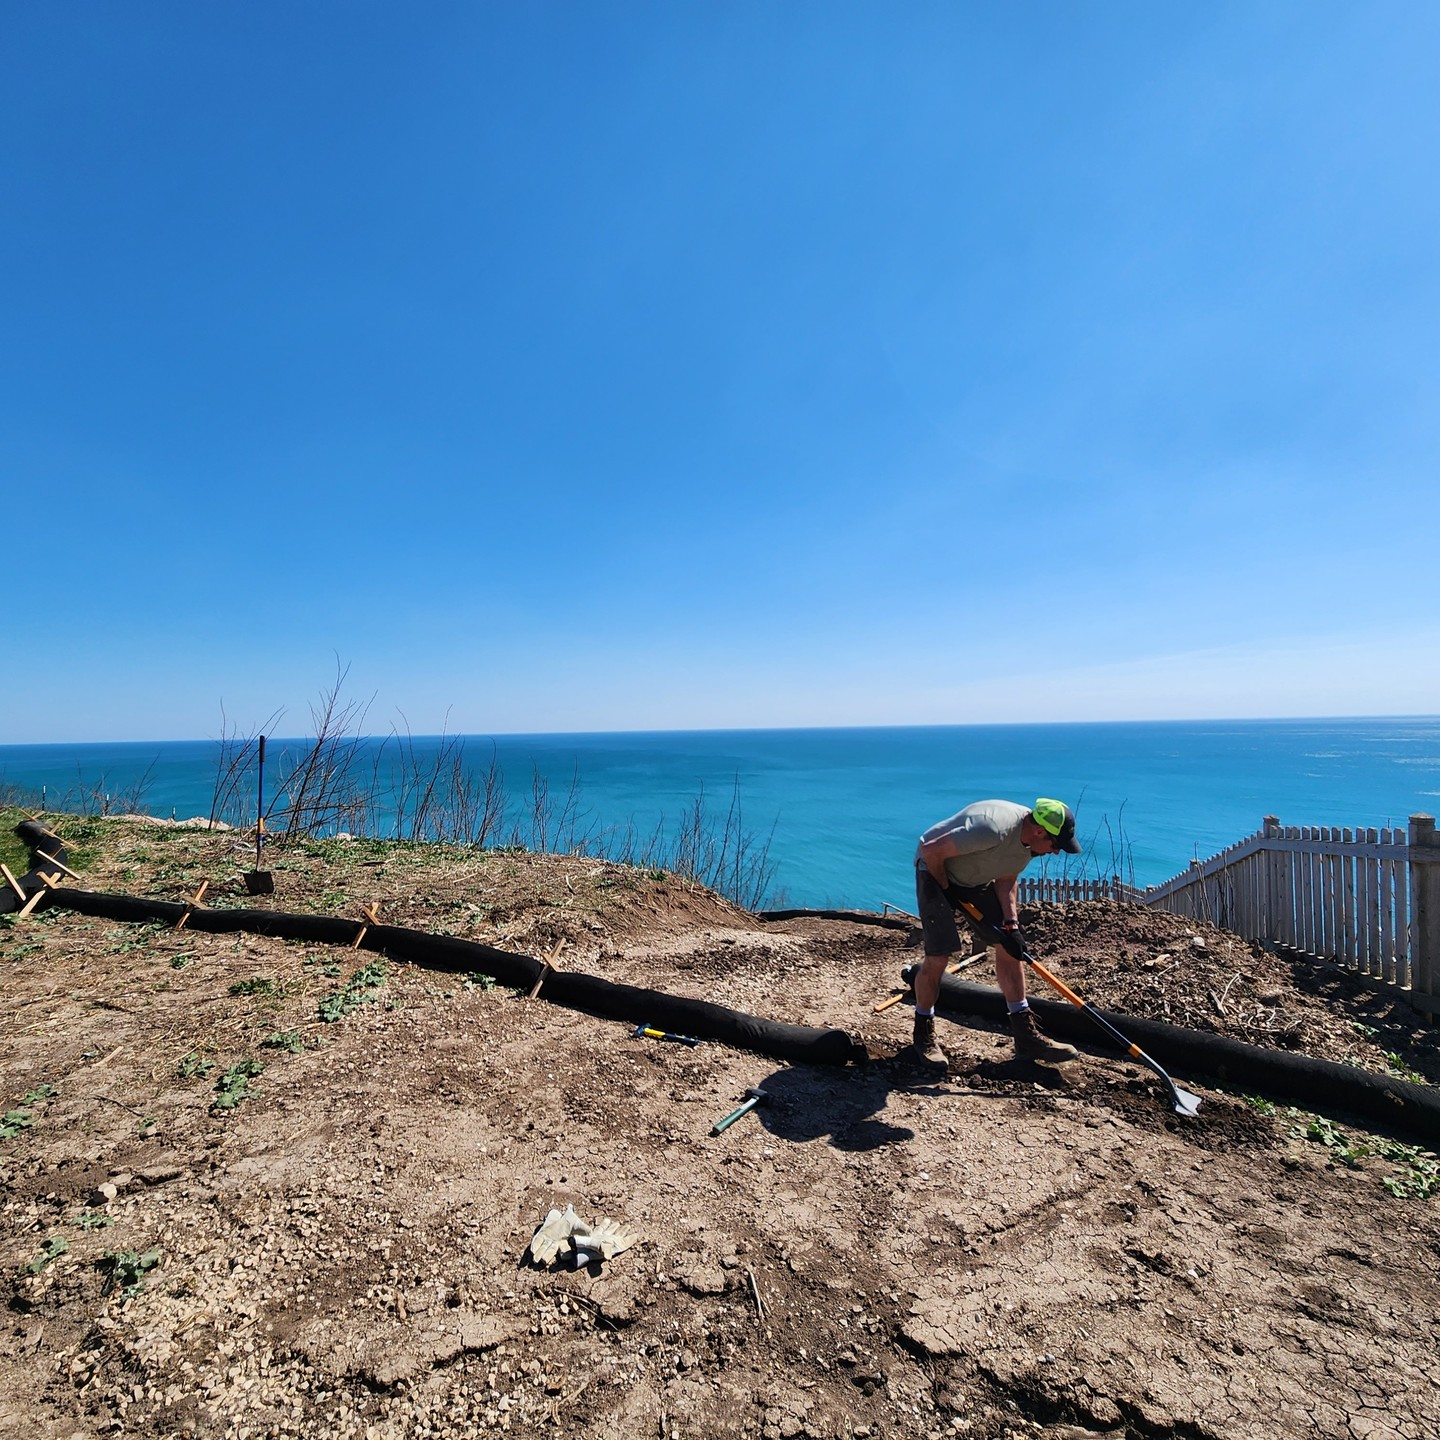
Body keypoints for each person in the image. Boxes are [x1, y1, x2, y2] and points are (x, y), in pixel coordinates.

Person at [911, 797, 1082, 1070]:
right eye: (1055, 845)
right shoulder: (992, 829)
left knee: (1009, 947)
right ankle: (923, 1033)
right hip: (934, 869)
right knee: (940, 954)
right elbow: (932, 850)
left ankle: (1026, 1036)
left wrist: (1011, 925)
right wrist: (945, 887)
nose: (1056, 852)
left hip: (971, 879)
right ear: (1040, 831)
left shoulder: (1029, 845)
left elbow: (1006, 880)